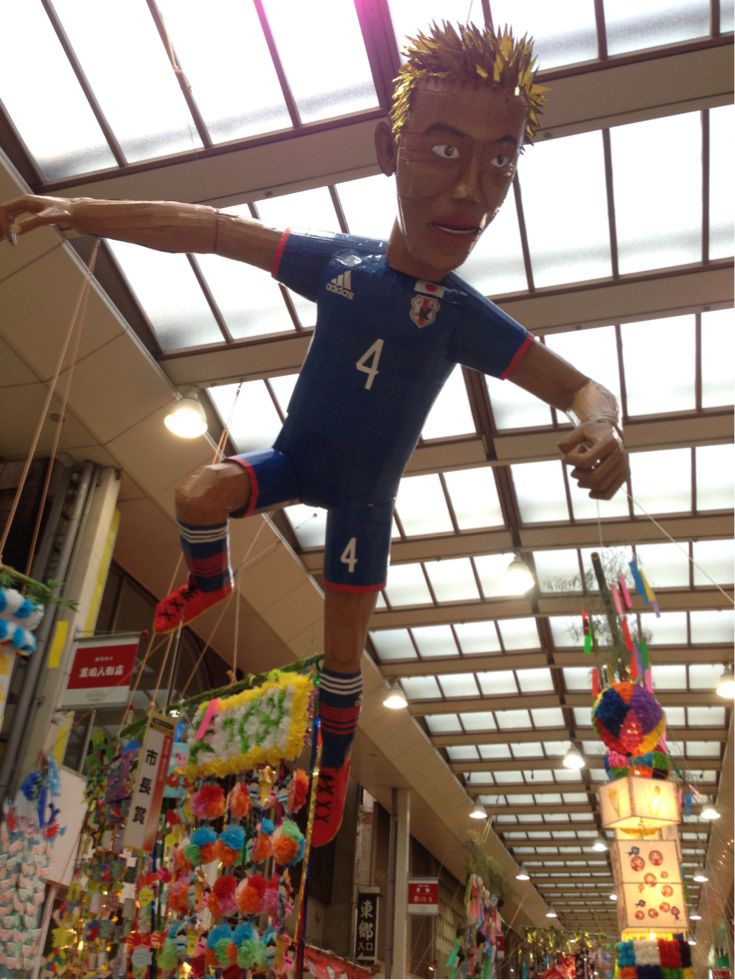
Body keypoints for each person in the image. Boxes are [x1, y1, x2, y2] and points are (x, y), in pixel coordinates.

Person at [0, 22, 627, 848]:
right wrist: (82, 210)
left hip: (364, 502)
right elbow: (208, 230)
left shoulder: (462, 316)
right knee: (197, 493)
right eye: (444, 151)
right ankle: (210, 579)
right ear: (387, 150)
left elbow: (576, 384)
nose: (471, 190)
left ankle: (331, 768)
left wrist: (602, 425)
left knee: (340, 656)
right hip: (295, 461)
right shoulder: (340, 264)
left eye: (500, 162)